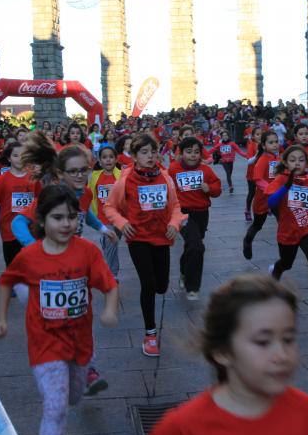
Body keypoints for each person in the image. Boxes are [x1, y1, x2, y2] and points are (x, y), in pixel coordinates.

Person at [150, 274, 308, 435]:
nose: (281, 355)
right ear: (222, 351)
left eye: (288, 339)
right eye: (263, 342)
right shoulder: (181, 431)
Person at [0, 185, 119, 435]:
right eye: (57, 217)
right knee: (55, 406)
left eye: (72, 217)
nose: (66, 224)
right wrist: (2, 320)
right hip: (45, 344)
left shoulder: (88, 251)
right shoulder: (29, 256)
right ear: (41, 219)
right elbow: (6, 282)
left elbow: (109, 284)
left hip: (80, 343)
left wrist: (110, 309)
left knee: (72, 396)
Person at [104, 134, 186, 357]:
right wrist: (122, 223)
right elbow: (110, 208)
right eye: (144, 152)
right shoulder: (125, 180)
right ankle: (150, 334)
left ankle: (151, 327)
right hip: (138, 238)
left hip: (161, 237)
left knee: (161, 286)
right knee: (148, 284)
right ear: (134, 157)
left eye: (153, 151)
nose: (150, 156)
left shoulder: (166, 177)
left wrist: (174, 224)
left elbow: (176, 206)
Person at [266, 145, 308, 314]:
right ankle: (276, 270)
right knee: (286, 263)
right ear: (286, 163)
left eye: (301, 160)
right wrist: (286, 187)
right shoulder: (281, 179)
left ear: (307, 163)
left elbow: (306, 199)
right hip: (288, 229)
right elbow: (271, 202)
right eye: (293, 160)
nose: (297, 163)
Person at [169, 137, 222, 300]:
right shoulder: (173, 169)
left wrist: (209, 188)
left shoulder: (205, 170)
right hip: (183, 213)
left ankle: (184, 272)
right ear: (181, 153)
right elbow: (166, 188)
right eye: (189, 152)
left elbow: (217, 188)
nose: (193, 155)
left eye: (196, 152)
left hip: (201, 213)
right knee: (197, 246)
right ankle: (193, 287)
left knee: (193, 246)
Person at [0, 140, 42, 266]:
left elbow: (41, 197)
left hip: (31, 229)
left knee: (31, 263)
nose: (19, 159)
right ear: (9, 158)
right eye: (15, 155)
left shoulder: (33, 178)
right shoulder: (3, 179)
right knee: (12, 263)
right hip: (9, 229)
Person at [243, 132, 280, 260]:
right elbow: (257, 179)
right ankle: (247, 241)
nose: (275, 145)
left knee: (283, 221)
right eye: (271, 142)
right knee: (258, 225)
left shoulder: (278, 158)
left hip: (276, 198)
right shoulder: (262, 159)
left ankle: (286, 245)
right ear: (263, 146)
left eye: (276, 142)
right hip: (262, 199)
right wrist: (271, 189)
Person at [88, 146, 122, 279]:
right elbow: (89, 195)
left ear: (115, 159)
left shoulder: (121, 175)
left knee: (112, 243)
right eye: (104, 157)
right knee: (111, 243)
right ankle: (112, 275)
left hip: (120, 218)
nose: (108, 160)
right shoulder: (95, 176)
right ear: (100, 161)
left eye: (111, 157)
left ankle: (105, 242)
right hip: (104, 218)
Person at [210, 129, 247, 194]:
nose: (225, 137)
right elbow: (212, 150)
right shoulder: (220, 144)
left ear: (228, 136)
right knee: (228, 173)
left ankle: (230, 184)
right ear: (221, 137)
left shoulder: (232, 144)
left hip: (231, 161)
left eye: (226, 135)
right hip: (224, 161)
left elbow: (240, 151)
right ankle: (230, 186)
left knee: (229, 173)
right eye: (223, 136)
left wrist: (248, 156)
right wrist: (203, 153)